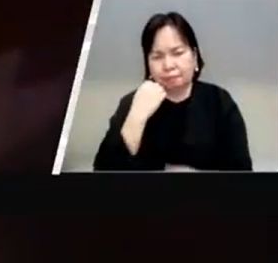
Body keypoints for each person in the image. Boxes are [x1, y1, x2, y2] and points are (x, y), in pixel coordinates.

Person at [93, 11, 253, 171]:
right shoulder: (132, 102)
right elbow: (101, 173)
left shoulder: (219, 101)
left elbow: (242, 172)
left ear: (194, 56)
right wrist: (136, 117)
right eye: (157, 56)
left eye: (177, 53)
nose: (168, 65)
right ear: (147, 62)